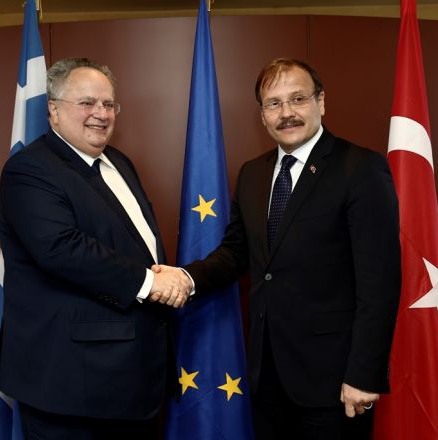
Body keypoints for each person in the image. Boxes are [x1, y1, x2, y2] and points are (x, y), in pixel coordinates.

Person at [156, 57, 401, 439]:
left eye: (297, 99)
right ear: (263, 115)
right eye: (274, 103)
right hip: (265, 376)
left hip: (334, 381)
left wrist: (364, 373)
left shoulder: (361, 169)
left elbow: (380, 283)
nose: (286, 113)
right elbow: (236, 253)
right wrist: (186, 277)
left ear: (321, 102)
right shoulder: (253, 173)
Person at [0, 57, 191, 440]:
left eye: (108, 104)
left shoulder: (119, 163)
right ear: (53, 109)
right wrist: (150, 283)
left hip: (133, 380)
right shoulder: (30, 169)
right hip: (72, 385)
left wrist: (161, 274)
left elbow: (133, 245)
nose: (100, 113)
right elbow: (61, 248)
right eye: (86, 103)